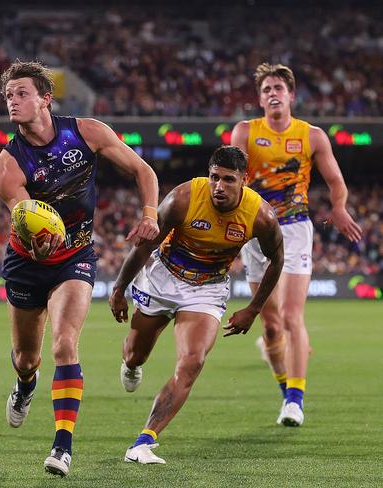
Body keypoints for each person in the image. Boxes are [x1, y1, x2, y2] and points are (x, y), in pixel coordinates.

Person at [0, 60, 160, 477]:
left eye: (22, 93)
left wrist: (151, 214)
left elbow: (143, 170)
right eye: (9, 96)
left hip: (76, 257)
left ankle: (62, 447)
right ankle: (25, 386)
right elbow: (25, 216)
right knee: (26, 358)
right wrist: (41, 235)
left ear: (46, 98)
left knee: (65, 344)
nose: (13, 101)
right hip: (28, 262)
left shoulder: (87, 132)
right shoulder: (7, 166)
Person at [109, 146, 284, 464]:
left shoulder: (261, 215)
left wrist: (253, 309)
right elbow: (146, 244)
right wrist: (120, 289)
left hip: (207, 289)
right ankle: (132, 365)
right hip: (162, 278)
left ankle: (144, 441)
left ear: (244, 180)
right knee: (136, 354)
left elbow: (277, 260)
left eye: (229, 180)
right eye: (214, 177)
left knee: (192, 362)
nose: (219, 186)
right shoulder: (184, 198)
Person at [231, 63, 362, 426]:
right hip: (255, 230)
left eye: (278, 88)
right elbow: (230, 178)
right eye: (266, 89)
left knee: (291, 316)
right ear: (260, 99)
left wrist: (338, 208)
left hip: (294, 229)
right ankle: (284, 387)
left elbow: (335, 179)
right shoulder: (244, 132)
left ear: (291, 95)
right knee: (270, 326)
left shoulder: (312, 136)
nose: (273, 93)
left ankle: (295, 399)